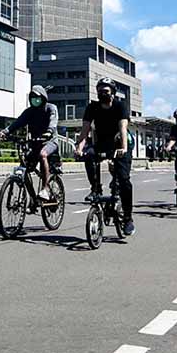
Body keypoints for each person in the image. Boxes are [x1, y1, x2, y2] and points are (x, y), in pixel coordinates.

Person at [75, 77, 134, 236]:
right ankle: (95, 188)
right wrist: (79, 148)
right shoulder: (92, 107)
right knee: (88, 155)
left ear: (113, 93)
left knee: (124, 181)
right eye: (100, 91)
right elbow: (85, 131)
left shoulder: (120, 106)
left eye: (106, 91)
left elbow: (123, 128)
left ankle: (128, 218)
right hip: (102, 143)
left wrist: (123, 148)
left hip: (120, 142)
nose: (103, 94)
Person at [0, 85, 59, 200]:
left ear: (43, 98)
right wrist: (5, 132)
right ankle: (32, 199)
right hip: (35, 144)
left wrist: (49, 131)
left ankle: (46, 189)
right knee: (24, 167)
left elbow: (53, 121)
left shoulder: (51, 108)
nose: (35, 100)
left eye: (37, 97)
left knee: (43, 154)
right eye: (32, 98)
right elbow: (17, 123)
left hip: (50, 142)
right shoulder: (29, 112)